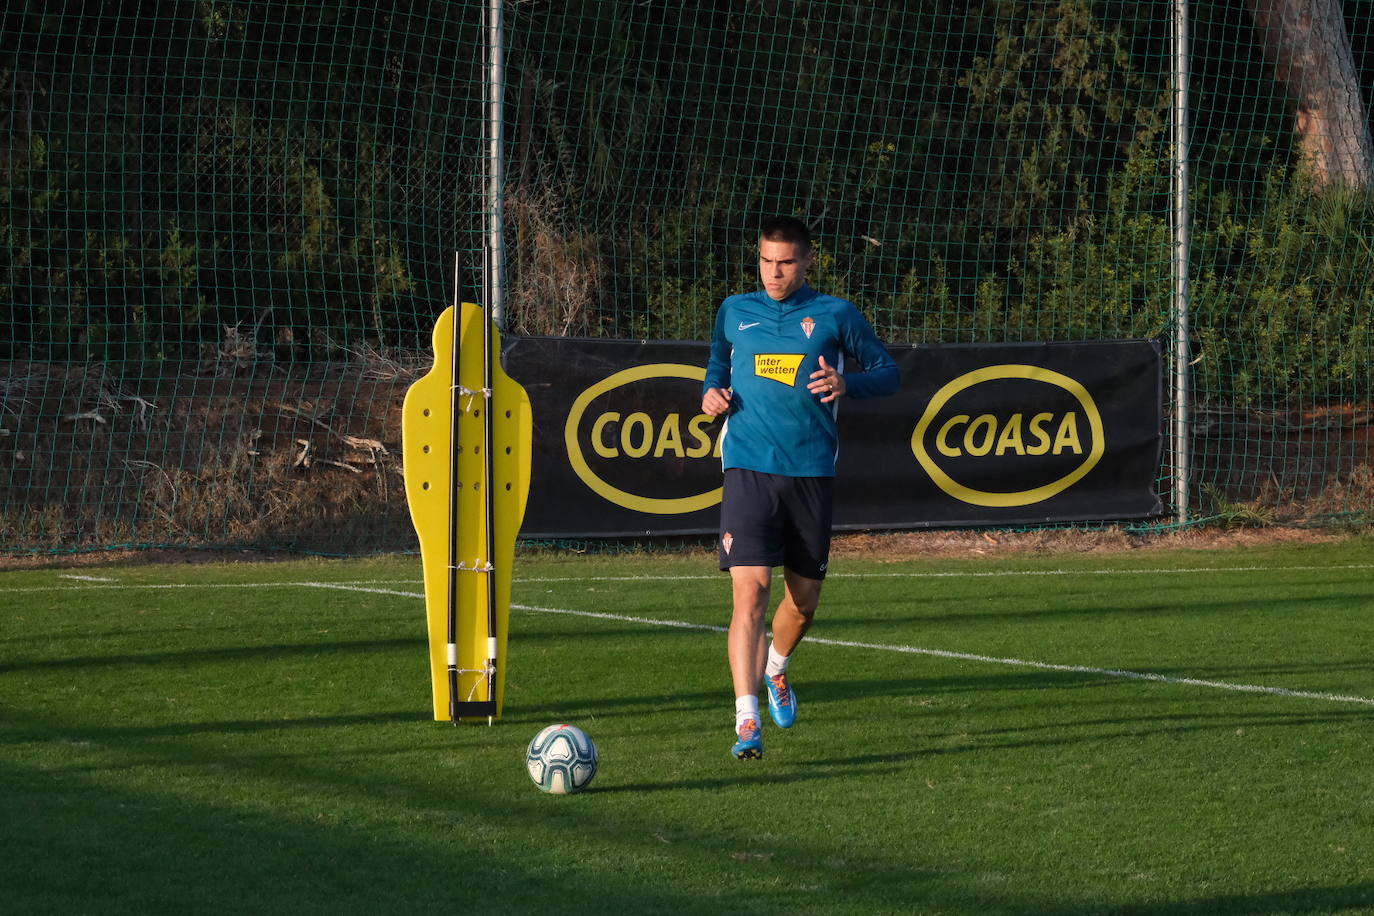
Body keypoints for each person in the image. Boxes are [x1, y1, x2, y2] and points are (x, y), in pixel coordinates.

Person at [701, 216, 899, 760]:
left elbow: (889, 371)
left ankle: (777, 668)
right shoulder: (734, 311)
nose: (773, 272)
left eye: (785, 262)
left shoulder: (834, 314)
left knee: (804, 603)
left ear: (808, 261)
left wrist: (847, 382)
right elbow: (718, 365)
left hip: (812, 471)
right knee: (751, 593)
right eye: (766, 261)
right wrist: (710, 393)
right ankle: (746, 720)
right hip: (747, 468)